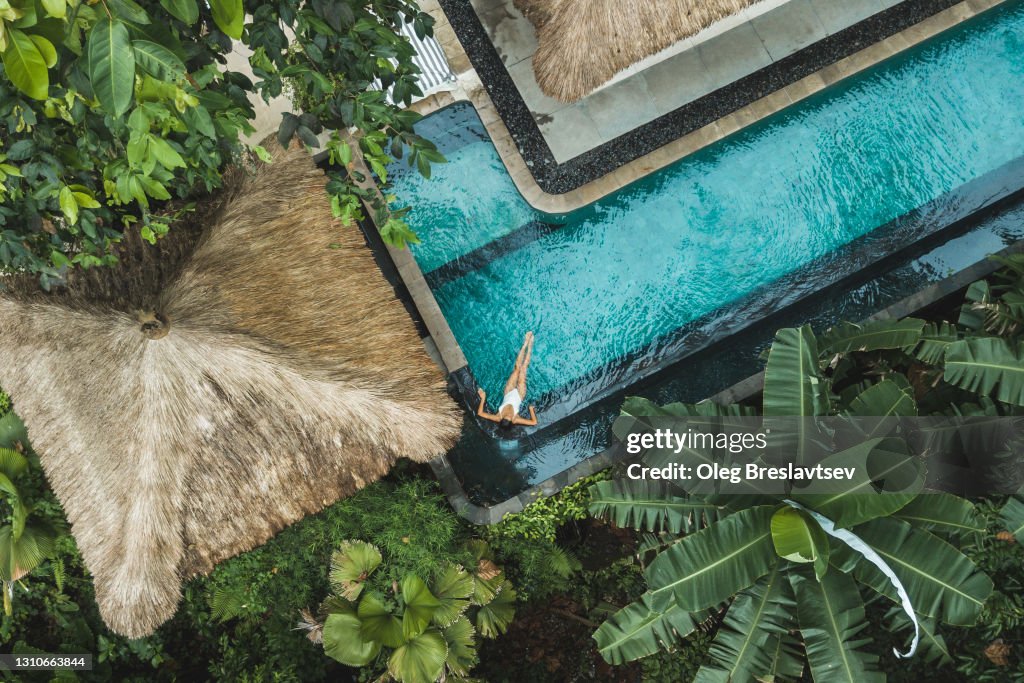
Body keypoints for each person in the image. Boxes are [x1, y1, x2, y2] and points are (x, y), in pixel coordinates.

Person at [477, 331, 538, 428]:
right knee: (523, 369)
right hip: (519, 395)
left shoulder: (498, 417)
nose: (509, 415)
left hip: (508, 392)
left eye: (506, 416)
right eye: (510, 417)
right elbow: (534, 422)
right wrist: (531, 409)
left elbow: (480, 413)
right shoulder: (515, 419)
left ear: (502, 419)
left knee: (517, 368)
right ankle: (530, 345)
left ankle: (525, 342)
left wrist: (483, 398)